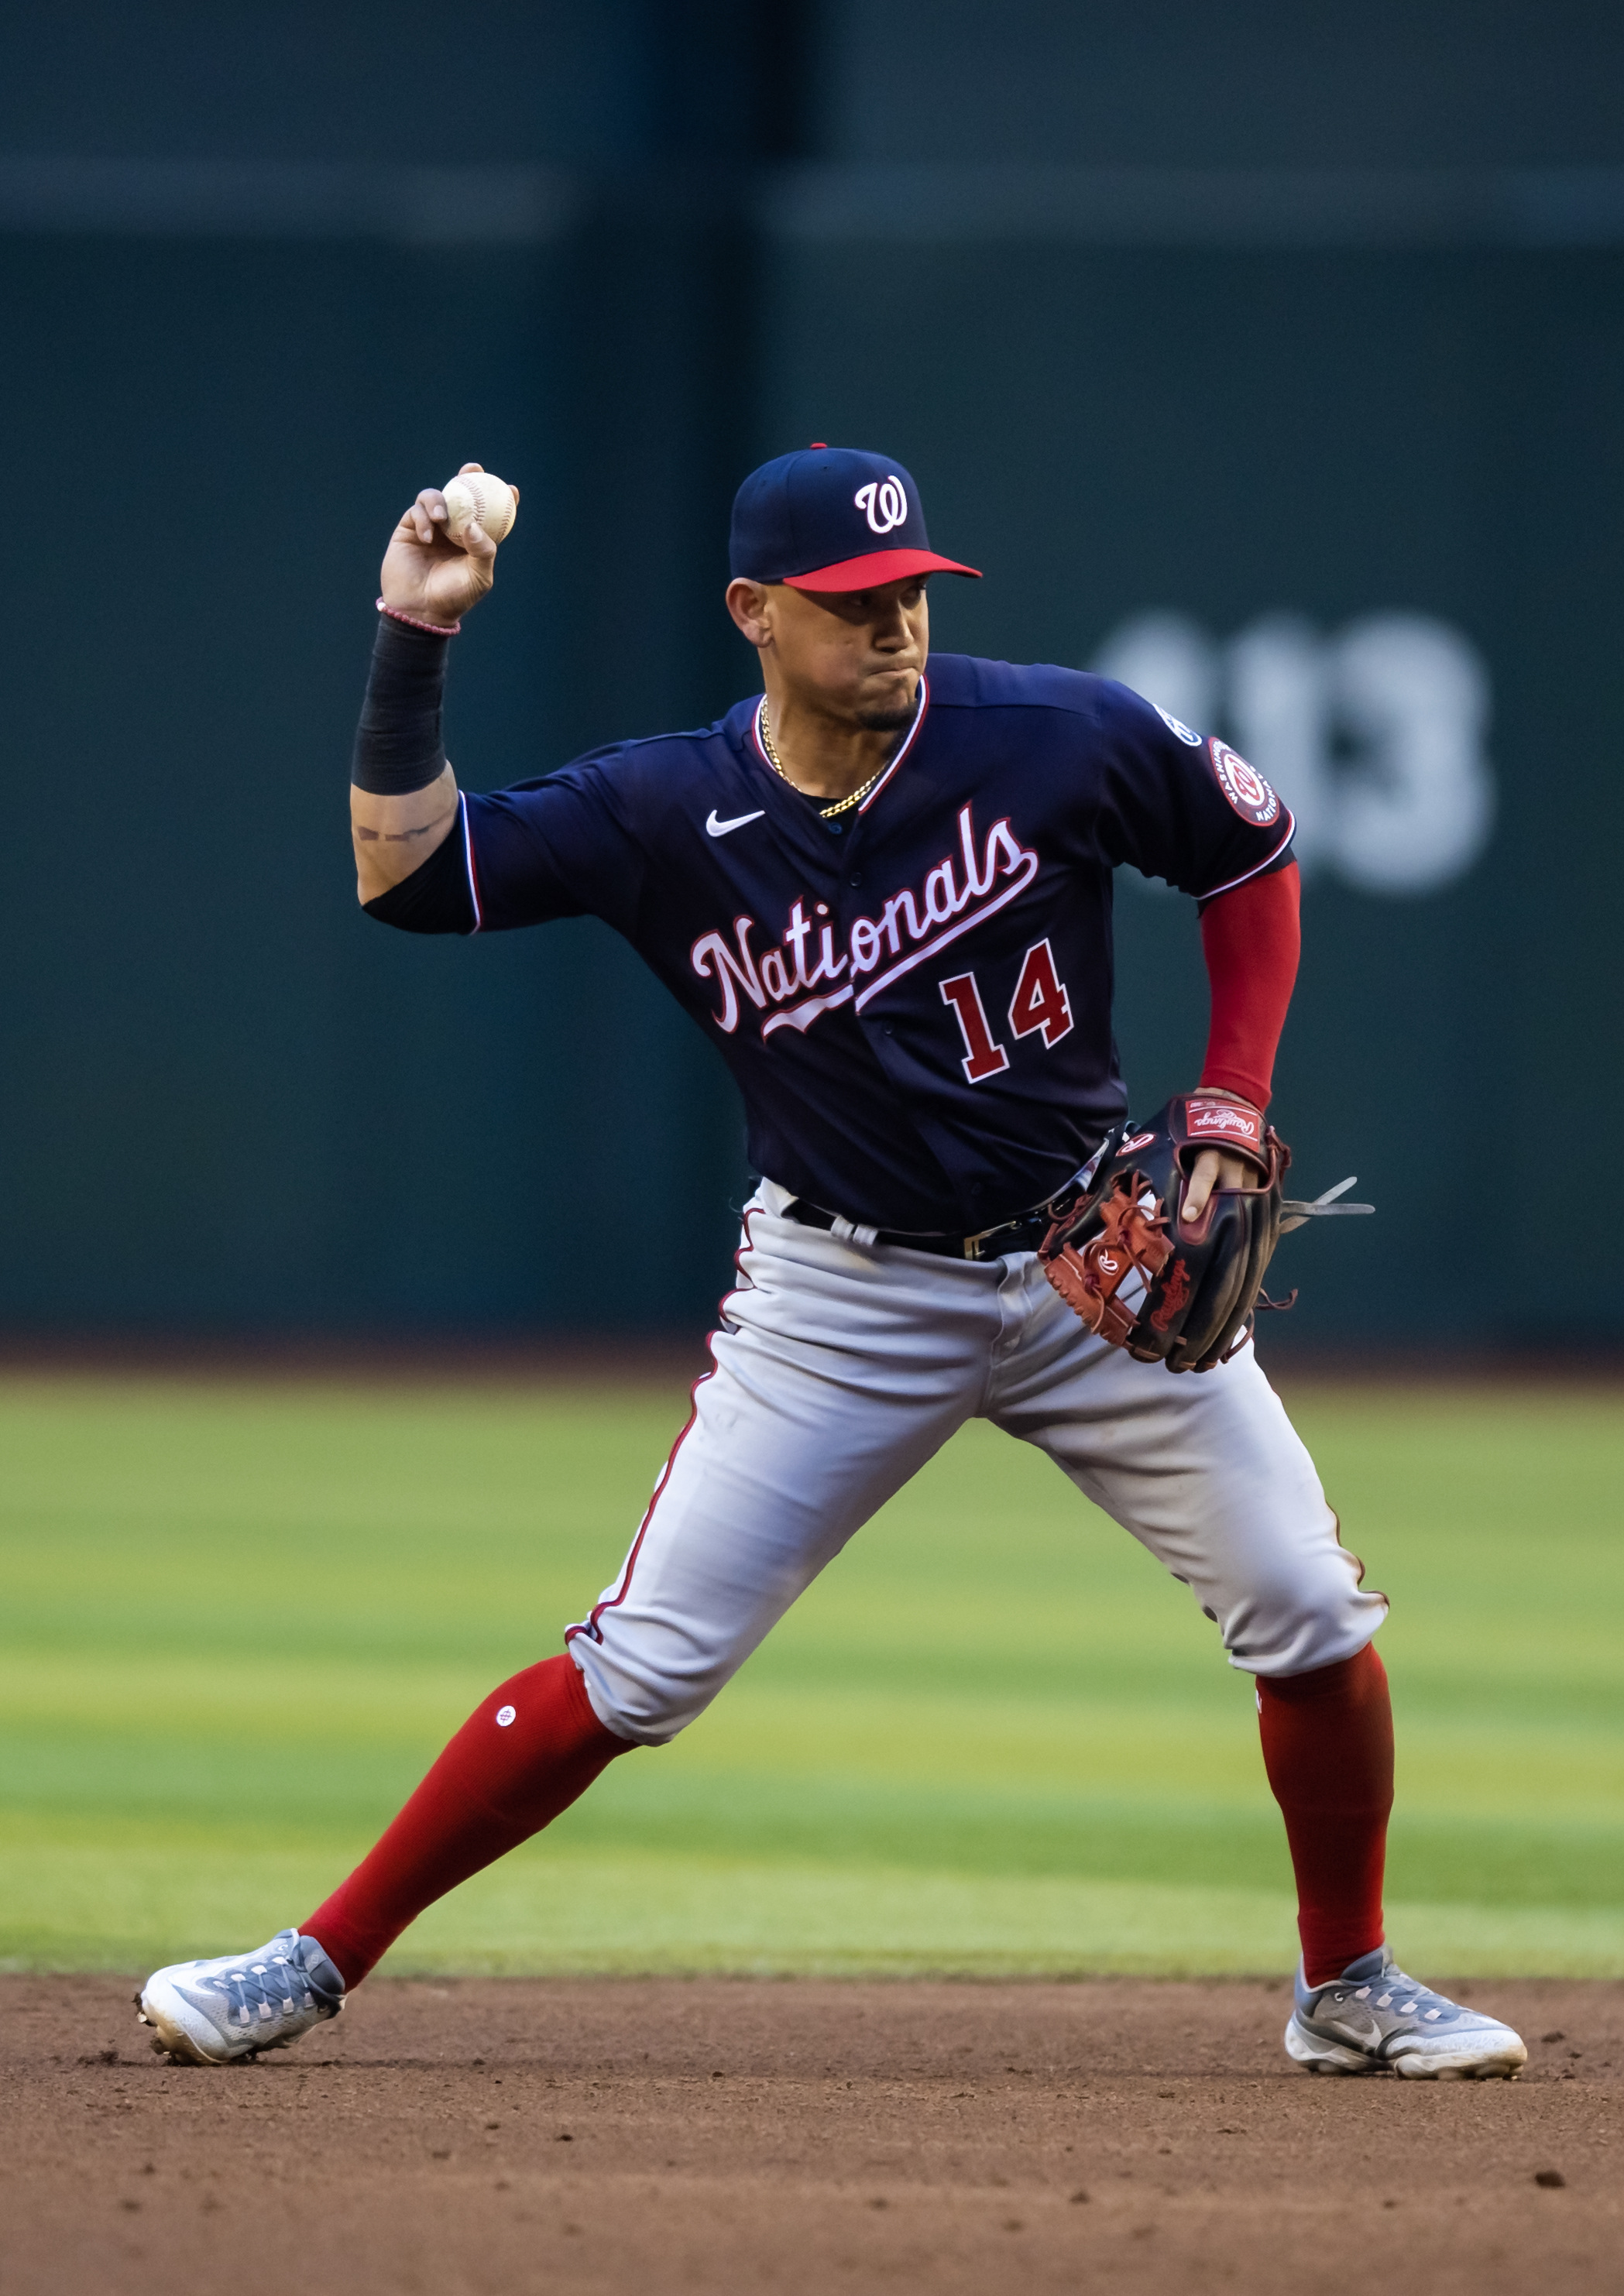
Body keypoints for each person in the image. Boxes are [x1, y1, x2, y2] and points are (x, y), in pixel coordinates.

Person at [138, 445, 1525, 2081]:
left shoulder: (1054, 734)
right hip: (841, 1298)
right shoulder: (661, 809)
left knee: (1307, 1610)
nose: (896, 631)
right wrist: (412, 633)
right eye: (854, 606)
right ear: (754, 612)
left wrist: (1229, 1089)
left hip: (1093, 1264)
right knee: (640, 1666)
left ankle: (1346, 1982)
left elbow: (1246, 849)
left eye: (912, 599)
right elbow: (411, 878)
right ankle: (306, 1963)